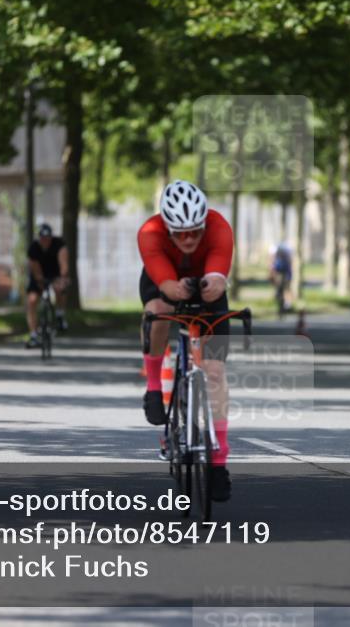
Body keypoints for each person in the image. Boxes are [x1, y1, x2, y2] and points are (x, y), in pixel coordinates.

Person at [137, 180, 234, 501]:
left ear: (205, 222)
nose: (189, 238)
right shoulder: (150, 233)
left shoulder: (219, 227)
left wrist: (213, 283)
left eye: (195, 231)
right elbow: (165, 284)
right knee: (160, 310)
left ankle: (219, 464)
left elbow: (219, 277)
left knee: (215, 371)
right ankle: (154, 387)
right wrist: (174, 287)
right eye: (180, 233)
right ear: (167, 226)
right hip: (163, 280)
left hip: (206, 281)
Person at [25, 223, 70, 347]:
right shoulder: (33, 248)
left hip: (56, 273)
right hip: (39, 274)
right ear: (39, 238)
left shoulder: (59, 245)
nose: (45, 241)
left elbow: (64, 266)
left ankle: (60, 314)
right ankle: (33, 334)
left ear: (51, 237)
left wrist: (62, 278)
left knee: (59, 288)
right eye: (42, 238)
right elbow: (34, 268)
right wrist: (40, 281)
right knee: (32, 300)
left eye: (47, 238)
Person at [269, 241, 293, 314]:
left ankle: (285, 304)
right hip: (281, 272)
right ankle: (284, 304)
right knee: (282, 289)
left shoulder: (279, 252)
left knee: (284, 289)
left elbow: (271, 262)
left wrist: (271, 272)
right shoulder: (285, 251)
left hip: (282, 272)